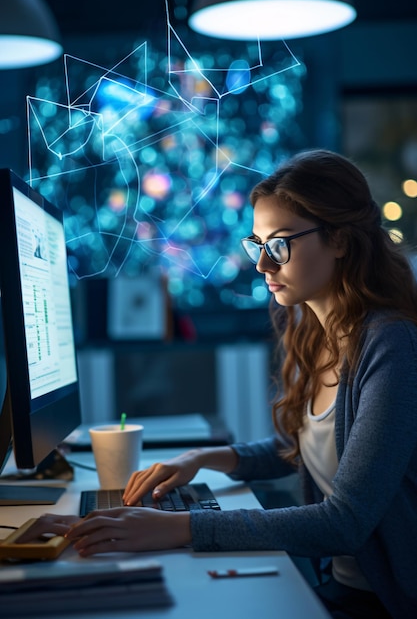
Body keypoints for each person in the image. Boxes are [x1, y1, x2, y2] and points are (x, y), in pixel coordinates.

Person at [31, 150, 417, 618]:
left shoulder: (391, 346)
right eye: (258, 244)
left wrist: (180, 527)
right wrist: (205, 457)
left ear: (339, 239)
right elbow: (318, 445)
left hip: (385, 600)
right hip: (340, 586)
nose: (262, 266)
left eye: (280, 245)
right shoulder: (315, 331)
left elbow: (346, 522)